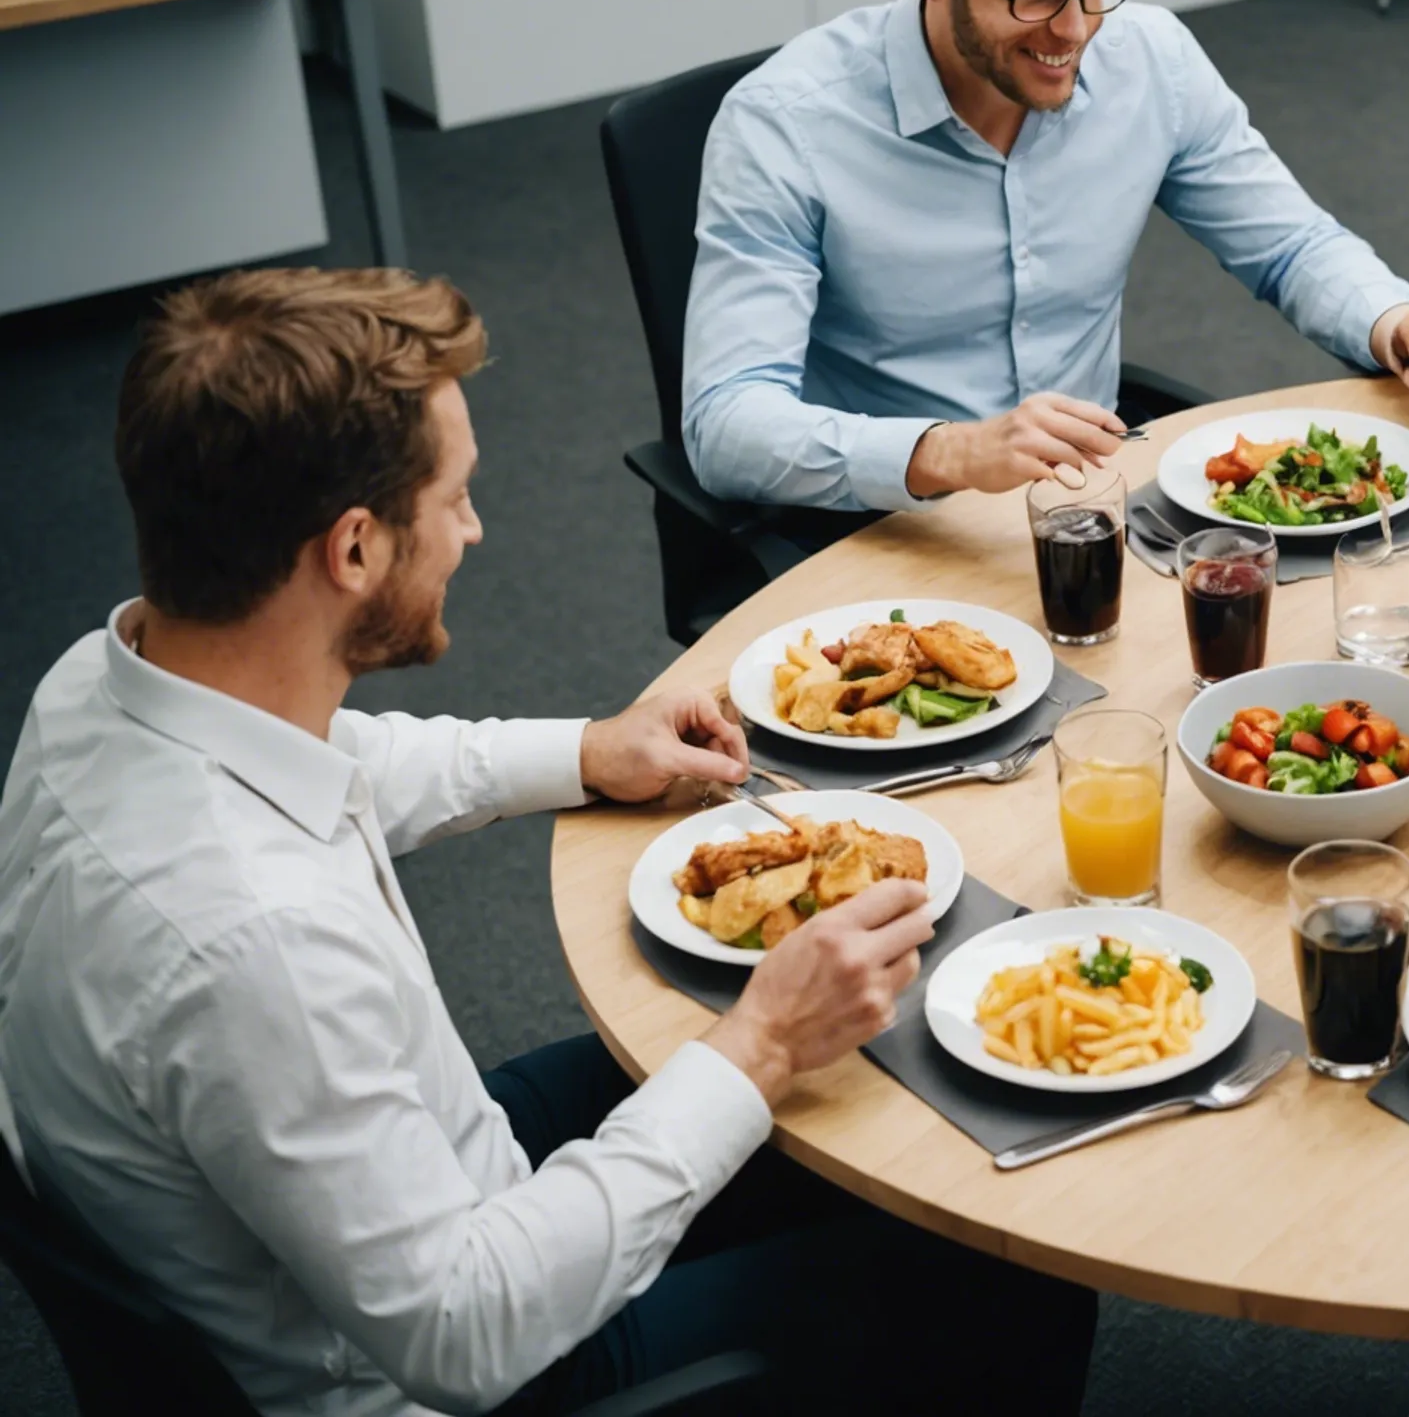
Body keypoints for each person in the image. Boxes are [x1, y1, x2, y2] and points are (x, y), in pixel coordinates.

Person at [0, 268, 1095, 1415]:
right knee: (1008, 1269)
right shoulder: (256, 943)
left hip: (376, 1187)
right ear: (355, 549)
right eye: (456, 498)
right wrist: (760, 1042)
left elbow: (345, 765)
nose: (476, 529)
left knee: (869, 1083)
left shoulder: (105, 682)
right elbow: (466, 1332)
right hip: (455, 1363)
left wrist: (588, 750)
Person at [684, 0, 1409, 517]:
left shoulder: (1151, 60)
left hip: (1089, 510)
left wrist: (1397, 322)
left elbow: (1290, 244)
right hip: (887, 533)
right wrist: (954, 451)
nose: (1076, 31)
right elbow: (726, 422)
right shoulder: (783, 125)